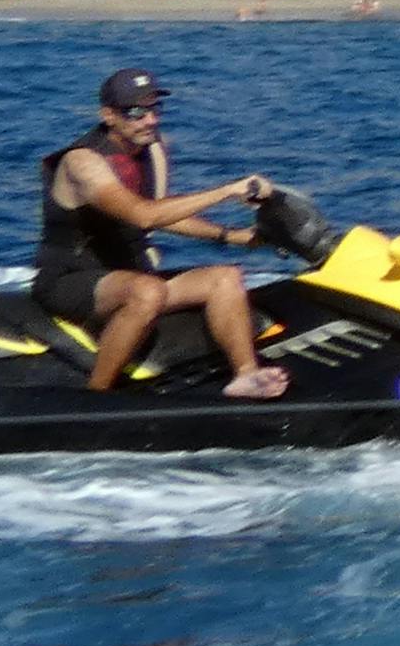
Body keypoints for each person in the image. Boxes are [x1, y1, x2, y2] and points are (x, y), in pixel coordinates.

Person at [37, 66, 287, 399]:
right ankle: (97, 396)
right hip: (71, 278)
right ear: (108, 115)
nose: (150, 120)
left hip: (127, 272)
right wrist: (227, 191)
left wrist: (233, 236)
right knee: (147, 292)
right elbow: (143, 217)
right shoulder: (83, 163)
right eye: (136, 112)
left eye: (155, 109)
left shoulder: (151, 149)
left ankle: (245, 375)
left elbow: (162, 212)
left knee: (225, 278)